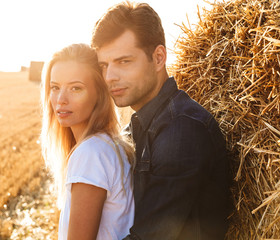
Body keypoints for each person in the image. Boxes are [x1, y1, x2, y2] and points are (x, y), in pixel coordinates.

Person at [91, 1, 230, 239]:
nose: (110, 77)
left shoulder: (183, 130)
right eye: (104, 65)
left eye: (124, 62)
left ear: (158, 58)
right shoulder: (135, 129)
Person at [40, 43, 135, 240]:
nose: (61, 100)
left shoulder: (91, 153)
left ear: (99, 95)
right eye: (55, 87)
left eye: (76, 88)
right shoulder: (107, 146)